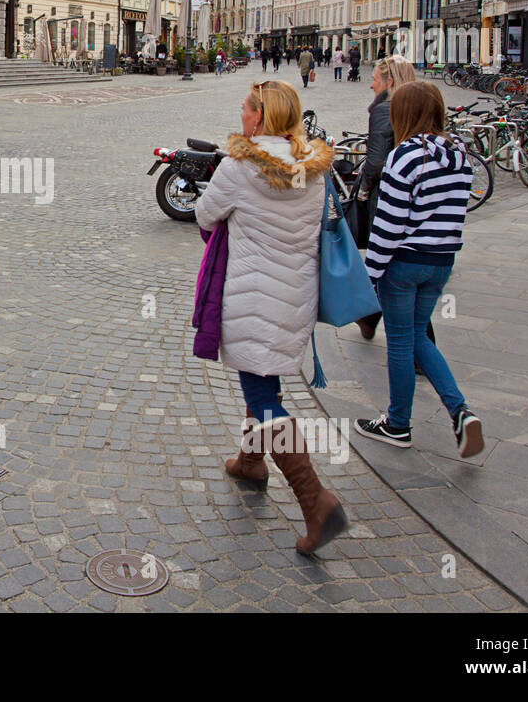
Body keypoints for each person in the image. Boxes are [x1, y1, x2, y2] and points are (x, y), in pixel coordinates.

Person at [195, 79, 346, 555]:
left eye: (245, 108)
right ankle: (250, 461)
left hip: (253, 295)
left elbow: (203, 215)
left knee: (263, 399)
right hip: (295, 296)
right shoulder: (313, 170)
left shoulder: (239, 167)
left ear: (259, 117)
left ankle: (314, 500)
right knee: (264, 380)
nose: (240, 114)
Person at [355, 81, 484, 459]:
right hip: (441, 260)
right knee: (416, 336)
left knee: (399, 340)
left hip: (404, 262)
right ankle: (459, 410)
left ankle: (398, 423)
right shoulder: (459, 153)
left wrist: (372, 271)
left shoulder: (405, 156)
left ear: (403, 114)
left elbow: (389, 224)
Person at [353, 56, 419, 340]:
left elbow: (376, 159)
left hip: (387, 193)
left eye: (375, 79)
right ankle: (369, 316)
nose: (371, 84)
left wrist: (363, 190)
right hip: (415, 193)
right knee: (397, 261)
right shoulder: (416, 105)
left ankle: (375, 318)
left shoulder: (384, 109)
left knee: (386, 259)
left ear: (389, 82)